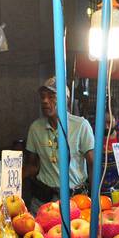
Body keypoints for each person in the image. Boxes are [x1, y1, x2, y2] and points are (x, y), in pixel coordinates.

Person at [23, 76, 95, 207]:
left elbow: (93, 163)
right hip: (43, 201)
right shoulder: (35, 128)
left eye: (51, 96)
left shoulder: (80, 126)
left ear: (65, 100)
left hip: (75, 201)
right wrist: (8, 177)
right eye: (43, 96)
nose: (45, 101)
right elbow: (33, 165)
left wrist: (94, 196)